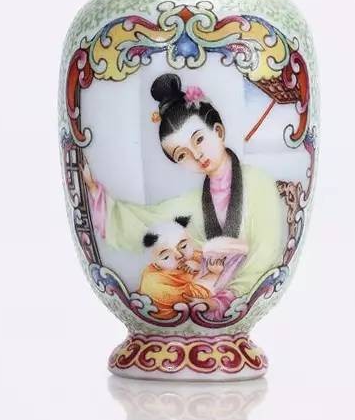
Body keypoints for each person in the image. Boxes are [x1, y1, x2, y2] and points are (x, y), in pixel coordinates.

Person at [82, 73, 284, 298]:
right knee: (152, 280)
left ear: (218, 131)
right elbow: (147, 222)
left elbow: (266, 250)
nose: (196, 155)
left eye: (199, 139)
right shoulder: (191, 203)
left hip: (239, 295)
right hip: (206, 290)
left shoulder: (259, 183)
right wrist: (93, 190)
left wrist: (230, 296)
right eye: (182, 155)